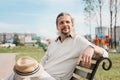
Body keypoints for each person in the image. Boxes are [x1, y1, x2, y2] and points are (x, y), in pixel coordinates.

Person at [39, 12, 108, 80]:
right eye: (61, 22)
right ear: (57, 26)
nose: (65, 24)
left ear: (72, 25)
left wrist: (92, 47)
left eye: (67, 22)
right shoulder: (53, 43)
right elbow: (42, 62)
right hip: (43, 75)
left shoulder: (78, 40)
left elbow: (105, 53)